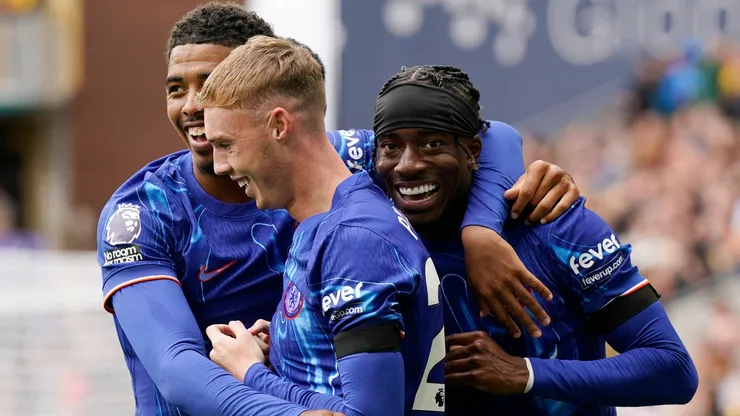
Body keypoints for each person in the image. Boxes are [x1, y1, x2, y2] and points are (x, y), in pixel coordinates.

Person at [95, 3, 579, 415]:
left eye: (213, 84)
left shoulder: (342, 171)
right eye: (176, 88)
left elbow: (490, 137)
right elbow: (177, 368)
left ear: (269, 99)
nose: (194, 106)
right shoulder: (143, 212)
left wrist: (481, 229)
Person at [369, 65, 699, 415]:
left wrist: (525, 373)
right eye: (391, 146)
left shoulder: (558, 227)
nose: (407, 165)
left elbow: (672, 369)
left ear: (473, 151)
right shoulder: (370, 243)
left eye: (432, 144)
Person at [199, 34, 451, 416]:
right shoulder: (328, 219)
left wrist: (250, 372)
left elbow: (368, 414)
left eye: (226, 144)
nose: (219, 165)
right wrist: (287, 342)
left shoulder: (352, 238)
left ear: (279, 125)